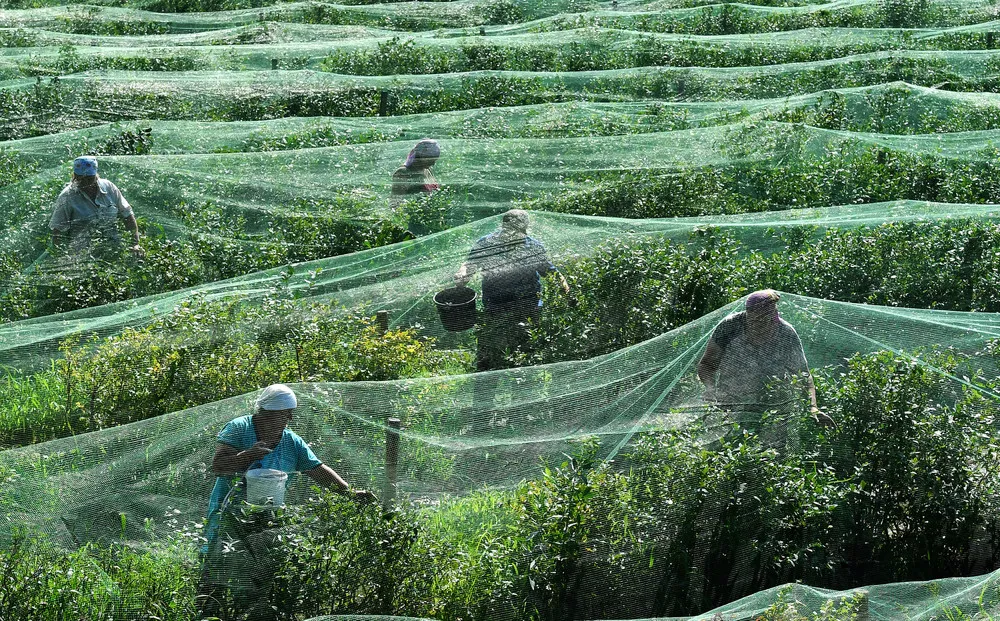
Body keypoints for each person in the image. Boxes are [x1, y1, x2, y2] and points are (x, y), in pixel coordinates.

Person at [198, 384, 376, 617]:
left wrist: (349, 493)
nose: (289, 418)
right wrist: (249, 455)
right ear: (265, 413)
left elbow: (317, 469)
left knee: (260, 571)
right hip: (229, 512)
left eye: (290, 413)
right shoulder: (239, 429)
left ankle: (252, 613)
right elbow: (219, 466)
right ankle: (207, 613)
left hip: (267, 519)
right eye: (284, 413)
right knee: (217, 565)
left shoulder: (291, 441)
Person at [454, 210, 571, 424]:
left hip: (528, 311)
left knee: (525, 363)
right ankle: (481, 418)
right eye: (509, 228)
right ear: (504, 226)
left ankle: (521, 416)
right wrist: (462, 275)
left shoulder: (532, 246)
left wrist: (566, 290)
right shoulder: (487, 243)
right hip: (495, 311)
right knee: (487, 363)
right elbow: (469, 264)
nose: (512, 232)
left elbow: (550, 271)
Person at [697, 289, 832, 428]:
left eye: (768, 319)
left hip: (772, 413)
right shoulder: (730, 326)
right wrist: (710, 388)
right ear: (748, 315)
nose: (762, 325)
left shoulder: (785, 333)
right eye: (757, 320)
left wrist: (812, 408)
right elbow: (707, 364)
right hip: (728, 407)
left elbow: (803, 375)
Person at [49, 156, 143, 257]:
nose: (85, 183)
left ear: (96, 176)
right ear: (74, 176)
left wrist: (135, 244)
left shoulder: (109, 187)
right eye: (81, 179)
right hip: (83, 255)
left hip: (114, 250)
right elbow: (57, 231)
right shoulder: (67, 197)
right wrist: (60, 257)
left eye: (89, 179)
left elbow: (127, 214)